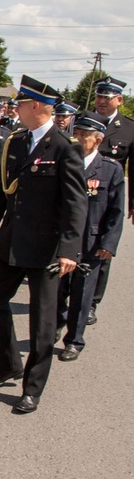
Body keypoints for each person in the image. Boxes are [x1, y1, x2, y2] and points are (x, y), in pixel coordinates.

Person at [0, 75, 87, 414]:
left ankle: (32, 388)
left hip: (45, 247)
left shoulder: (65, 147)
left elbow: (75, 203)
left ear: (35, 106)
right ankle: (8, 365)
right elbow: (0, 191)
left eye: (19, 104)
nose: (14, 109)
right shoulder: (17, 141)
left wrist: (69, 250)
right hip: (10, 241)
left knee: (42, 322)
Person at [56, 111, 124, 361]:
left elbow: (116, 211)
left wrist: (108, 243)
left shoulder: (109, 169)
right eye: (76, 133)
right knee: (56, 290)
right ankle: (55, 325)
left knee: (82, 294)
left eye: (84, 135)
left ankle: (74, 340)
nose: (77, 138)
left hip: (90, 242)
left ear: (98, 140)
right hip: (61, 240)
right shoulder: (63, 162)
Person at [89, 76, 134, 325]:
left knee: (102, 249)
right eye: (98, 96)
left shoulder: (128, 128)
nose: (102, 102)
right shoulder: (82, 121)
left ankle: (92, 302)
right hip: (79, 195)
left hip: (107, 198)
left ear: (119, 99)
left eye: (107, 97)